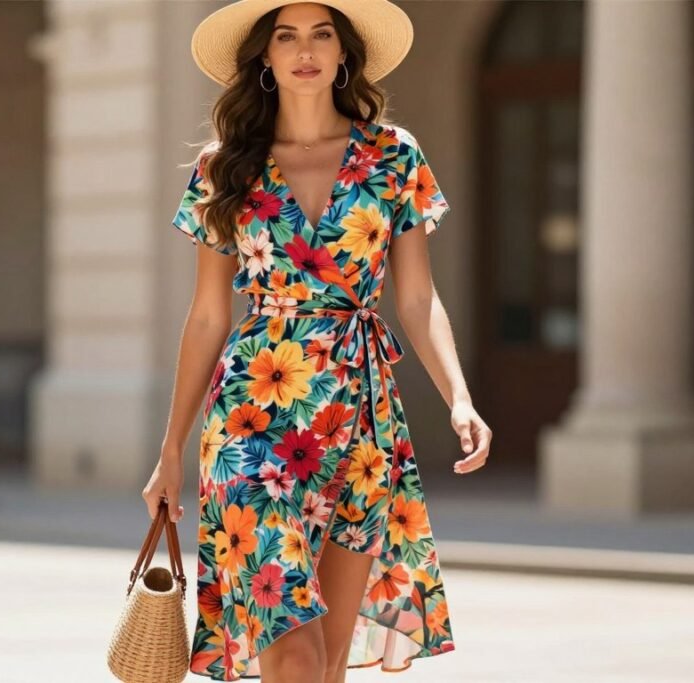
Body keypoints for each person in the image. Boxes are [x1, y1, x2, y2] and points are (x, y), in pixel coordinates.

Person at [142, 1, 492, 681]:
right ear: (265, 60)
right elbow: (209, 315)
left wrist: (459, 397)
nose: (305, 50)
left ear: (343, 53)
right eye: (287, 36)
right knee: (293, 653)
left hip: (362, 422)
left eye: (322, 34)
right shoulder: (227, 167)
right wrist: (170, 450)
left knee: (326, 663)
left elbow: (417, 298)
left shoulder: (395, 155)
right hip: (252, 420)